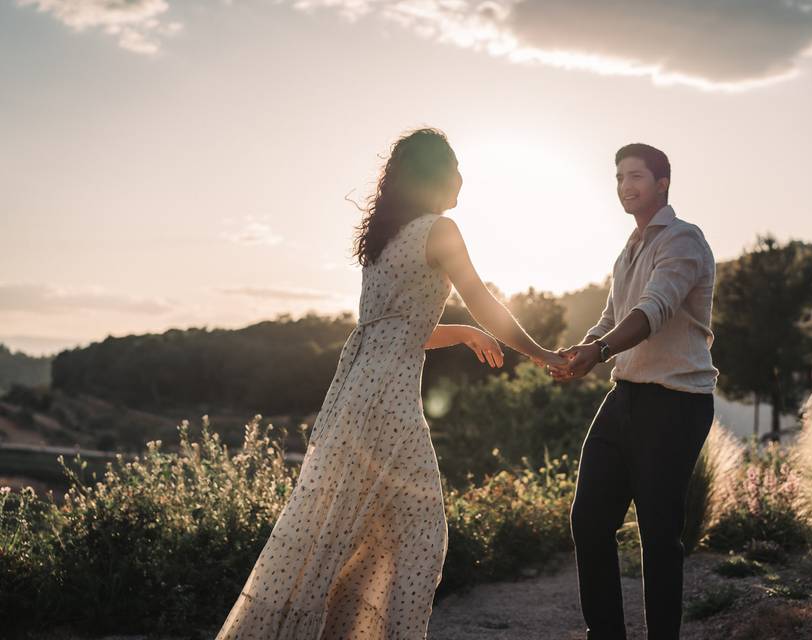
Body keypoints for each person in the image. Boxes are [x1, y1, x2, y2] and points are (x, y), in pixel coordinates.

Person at [214, 127, 565, 640]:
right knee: (420, 533)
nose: (463, 177)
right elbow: (482, 298)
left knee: (341, 531)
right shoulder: (440, 230)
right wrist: (540, 353)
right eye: (455, 166)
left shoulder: (386, 238)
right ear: (437, 175)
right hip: (388, 401)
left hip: (354, 392)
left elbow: (398, 328)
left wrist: (465, 332)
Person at [550, 143, 718, 640]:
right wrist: (578, 352)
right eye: (619, 176)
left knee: (659, 536)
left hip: (676, 402)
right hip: (624, 396)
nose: (626, 185)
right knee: (588, 520)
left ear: (662, 183)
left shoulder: (684, 240)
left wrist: (597, 351)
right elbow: (613, 318)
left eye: (636, 175)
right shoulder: (628, 249)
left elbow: (653, 310)